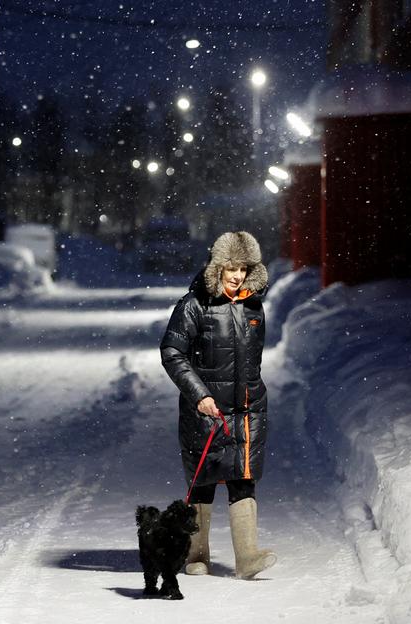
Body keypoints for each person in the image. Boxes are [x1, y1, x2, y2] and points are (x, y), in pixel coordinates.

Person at [159, 231, 276, 579]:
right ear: (218, 266)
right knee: (203, 482)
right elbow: (172, 352)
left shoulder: (253, 304)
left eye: (244, 267)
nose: (238, 275)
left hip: (247, 409)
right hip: (206, 411)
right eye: (231, 267)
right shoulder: (194, 305)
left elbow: (251, 360)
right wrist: (200, 395)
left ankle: (247, 558)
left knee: (244, 478)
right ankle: (197, 555)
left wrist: (253, 393)